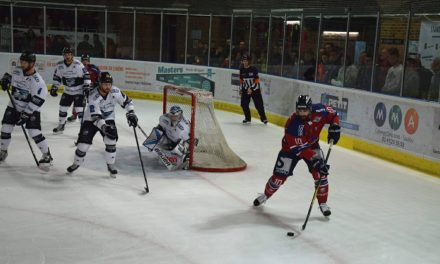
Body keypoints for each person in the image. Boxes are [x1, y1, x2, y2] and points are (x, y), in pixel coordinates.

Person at [253, 95, 340, 217]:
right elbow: (300, 149)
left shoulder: (320, 110)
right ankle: (266, 195)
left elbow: (334, 114)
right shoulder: (293, 124)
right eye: (299, 110)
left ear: (310, 108)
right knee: (278, 178)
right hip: (290, 149)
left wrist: (335, 127)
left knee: (321, 175)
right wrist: (316, 161)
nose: (302, 113)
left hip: (312, 145)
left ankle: (323, 204)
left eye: (305, 110)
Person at [66, 72, 138, 177]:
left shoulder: (115, 91)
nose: (108, 86)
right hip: (90, 120)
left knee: (111, 141)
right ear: (99, 83)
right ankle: (76, 163)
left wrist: (131, 113)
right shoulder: (93, 96)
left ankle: (111, 165)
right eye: (105, 84)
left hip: (108, 118)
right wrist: (104, 127)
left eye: (109, 84)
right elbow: (95, 118)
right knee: (83, 146)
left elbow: (127, 102)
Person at [0, 51, 53, 169]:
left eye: (25, 62)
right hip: (14, 105)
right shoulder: (18, 70)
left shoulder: (37, 82)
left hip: (31, 109)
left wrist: (26, 114)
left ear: (32, 63)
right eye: (21, 61)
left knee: (34, 132)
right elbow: (9, 76)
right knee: (5, 128)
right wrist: (5, 79)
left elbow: (38, 100)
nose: (22, 64)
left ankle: (47, 155)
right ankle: (3, 151)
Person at [50, 47, 91, 134]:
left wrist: (87, 87)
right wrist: (55, 87)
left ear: (72, 55)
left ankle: (83, 129)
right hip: (67, 91)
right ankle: (61, 125)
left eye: (69, 54)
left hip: (78, 92)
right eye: (66, 54)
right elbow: (57, 77)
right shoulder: (60, 65)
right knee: (62, 109)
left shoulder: (78, 64)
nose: (67, 56)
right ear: (63, 55)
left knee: (80, 111)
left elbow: (86, 75)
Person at [143, 105, 191, 170]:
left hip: (176, 143)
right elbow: (159, 128)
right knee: (161, 160)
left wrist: (187, 153)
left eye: (175, 116)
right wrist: (152, 141)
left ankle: (184, 157)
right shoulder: (164, 118)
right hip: (167, 139)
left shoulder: (183, 128)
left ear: (180, 116)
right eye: (172, 116)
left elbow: (189, 140)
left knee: (179, 155)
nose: (173, 118)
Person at [67, 54, 101, 122]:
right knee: (77, 100)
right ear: (81, 61)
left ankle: (96, 114)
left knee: (94, 101)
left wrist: (97, 83)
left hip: (92, 89)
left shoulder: (94, 68)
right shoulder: (78, 68)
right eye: (83, 60)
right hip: (81, 88)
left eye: (86, 60)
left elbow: (100, 77)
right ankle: (74, 115)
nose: (85, 62)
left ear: (89, 61)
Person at [239, 54, 268, 124]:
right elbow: (241, 81)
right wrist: (241, 89)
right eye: (243, 61)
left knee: (259, 105)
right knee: (243, 104)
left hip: (255, 89)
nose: (245, 62)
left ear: (249, 61)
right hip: (245, 90)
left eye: (246, 61)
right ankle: (247, 118)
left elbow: (257, 81)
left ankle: (263, 118)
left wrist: (251, 88)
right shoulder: (241, 69)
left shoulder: (254, 69)